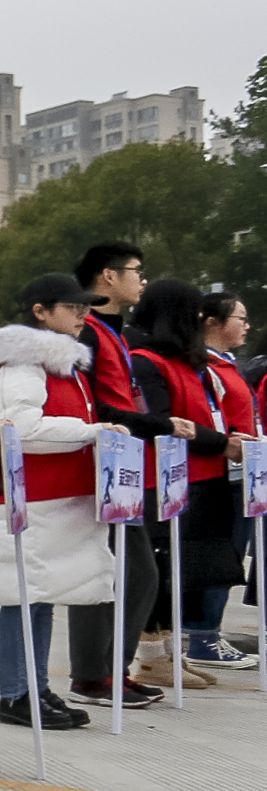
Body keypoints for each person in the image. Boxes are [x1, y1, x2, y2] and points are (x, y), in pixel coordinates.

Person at [0, 276, 118, 730]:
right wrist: (91, 432)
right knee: (25, 597)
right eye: (73, 307)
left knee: (41, 597)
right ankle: (17, 693)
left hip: (53, 495)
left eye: (86, 307)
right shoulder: (22, 364)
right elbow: (22, 428)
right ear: (40, 311)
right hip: (32, 496)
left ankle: (35, 688)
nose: (84, 314)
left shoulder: (57, 365)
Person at [69, 243, 184, 704]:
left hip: (124, 465)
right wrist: (159, 424)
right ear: (109, 276)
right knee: (118, 573)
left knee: (133, 574)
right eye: (136, 271)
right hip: (99, 464)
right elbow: (92, 405)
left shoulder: (116, 333)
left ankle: (109, 671)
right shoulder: (87, 332)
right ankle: (93, 676)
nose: (143, 280)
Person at [129, 280, 249, 682]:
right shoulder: (146, 362)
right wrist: (221, 443)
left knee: (184, 570)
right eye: (194, 313)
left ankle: (169, 651)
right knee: (162, 567)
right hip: (167, 480)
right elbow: (164, 423)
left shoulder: (188, 363)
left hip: (204, 475)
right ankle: (151, 656)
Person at [193, 293, 259, 668]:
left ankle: (206, 632)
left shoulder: (228, 365)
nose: (246, 325)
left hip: (240, 472)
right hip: (220, 472)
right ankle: (203, 636)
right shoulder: (205, 367)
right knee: (221, 555)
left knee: (233, 553)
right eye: (240, 318)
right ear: (212, 323)